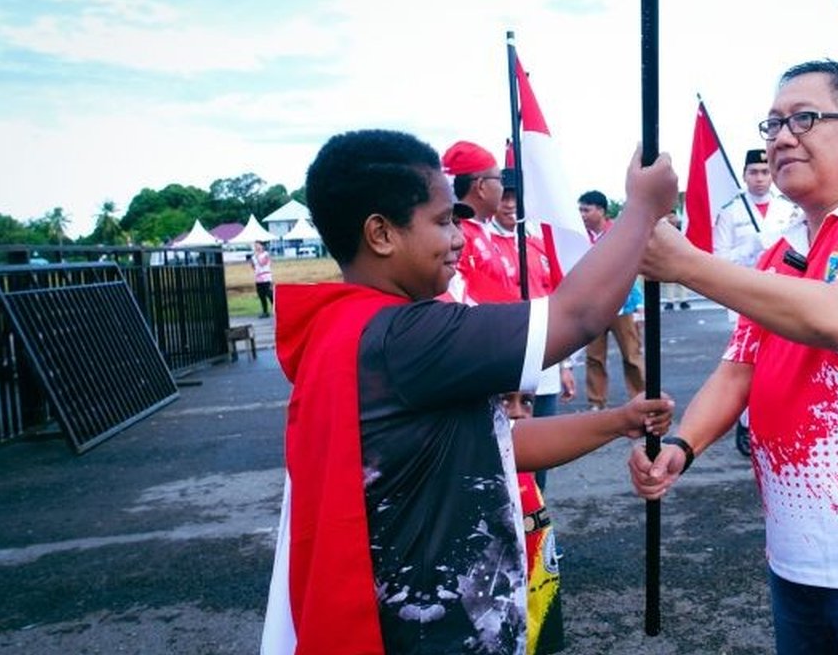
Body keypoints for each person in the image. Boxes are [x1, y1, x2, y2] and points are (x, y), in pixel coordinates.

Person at [259, 129, 677, 655]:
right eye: (440, 221)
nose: (458, 237)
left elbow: (498, 444)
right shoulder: (405, 338)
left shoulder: (352, 329)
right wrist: (640, 209)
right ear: (381, 234)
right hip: (434, 633)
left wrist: (617, 420)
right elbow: (578, 315)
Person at [629, 60, 838, 655]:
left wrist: (687, 265)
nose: (782, 137)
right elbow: (740, 369)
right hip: (797, 552)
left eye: (803, 119)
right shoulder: (781, 253)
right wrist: (683, 446)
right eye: (773, 124)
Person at [497, 389, 672, 655]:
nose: (518, 411)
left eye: (527, 402)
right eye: (504, 400)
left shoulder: (526, 473)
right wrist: (623, 419)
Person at [490, 172, 578, 490]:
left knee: (541, 453)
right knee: (505, 451)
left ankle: (537, 524)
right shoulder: (481, 245)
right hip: (505, 363)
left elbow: (559, 304)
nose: (510, 204)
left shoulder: (538, 244)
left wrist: (567, 364)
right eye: (504, 197)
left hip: (546, 361)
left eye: (516, 197)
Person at [712, 148, 798, 456]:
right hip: (742, 298)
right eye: (754, 172)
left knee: (778, 361)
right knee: (748, 364)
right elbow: (718, 259)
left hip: (781, 295)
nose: (760, 178)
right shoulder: (731, 211)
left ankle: (768, 420)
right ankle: (747, 424)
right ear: (744, 175)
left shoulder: (789, 208)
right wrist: (749, 249)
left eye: (765, 172)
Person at [577, 190, 645, 410]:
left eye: (586, 210)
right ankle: (596, 402)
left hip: (622, 305)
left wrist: (639, 306)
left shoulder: (620, 233)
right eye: (580, 210)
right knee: (594, 357)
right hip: (592, 308)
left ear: (601, 211)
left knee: (632, 356)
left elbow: (636, 267)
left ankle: (641, 399)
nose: (582, 214)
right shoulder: (578, 236)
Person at [442, 140, 518, 303]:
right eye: (500, 180)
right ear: (481, 186)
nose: (502, 188)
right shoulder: (458, 238)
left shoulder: (482, 230)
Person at [250, 240, 273, 318]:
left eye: (258, 245)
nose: (256, 247)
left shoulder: (266, 254)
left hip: (266, 277)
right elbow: (253, 266)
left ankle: (275, 309)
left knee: (270, 294)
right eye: (255, 245)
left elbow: (262, 263)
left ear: (262, 246)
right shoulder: (253, 256)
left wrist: (257, 257)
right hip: (258, 278)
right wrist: (253, 261)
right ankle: (265, 311)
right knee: (261, 295)